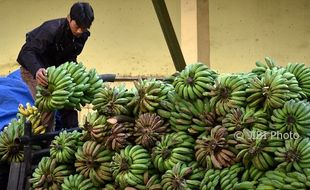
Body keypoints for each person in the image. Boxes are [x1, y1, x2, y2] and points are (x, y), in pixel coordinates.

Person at [17, 2, 94, 132]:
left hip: (56, 72)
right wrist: (37, 70)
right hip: (33, 69)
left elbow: (70, 56)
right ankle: (44, 144)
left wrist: (75, 73)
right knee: (48, 105)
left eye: (85, 27)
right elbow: (27, 52)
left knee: (69, 100)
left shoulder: (83, 36)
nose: (80, 30)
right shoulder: (51, 29)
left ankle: (72, 135)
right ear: (69, 18)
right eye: (78, 26)